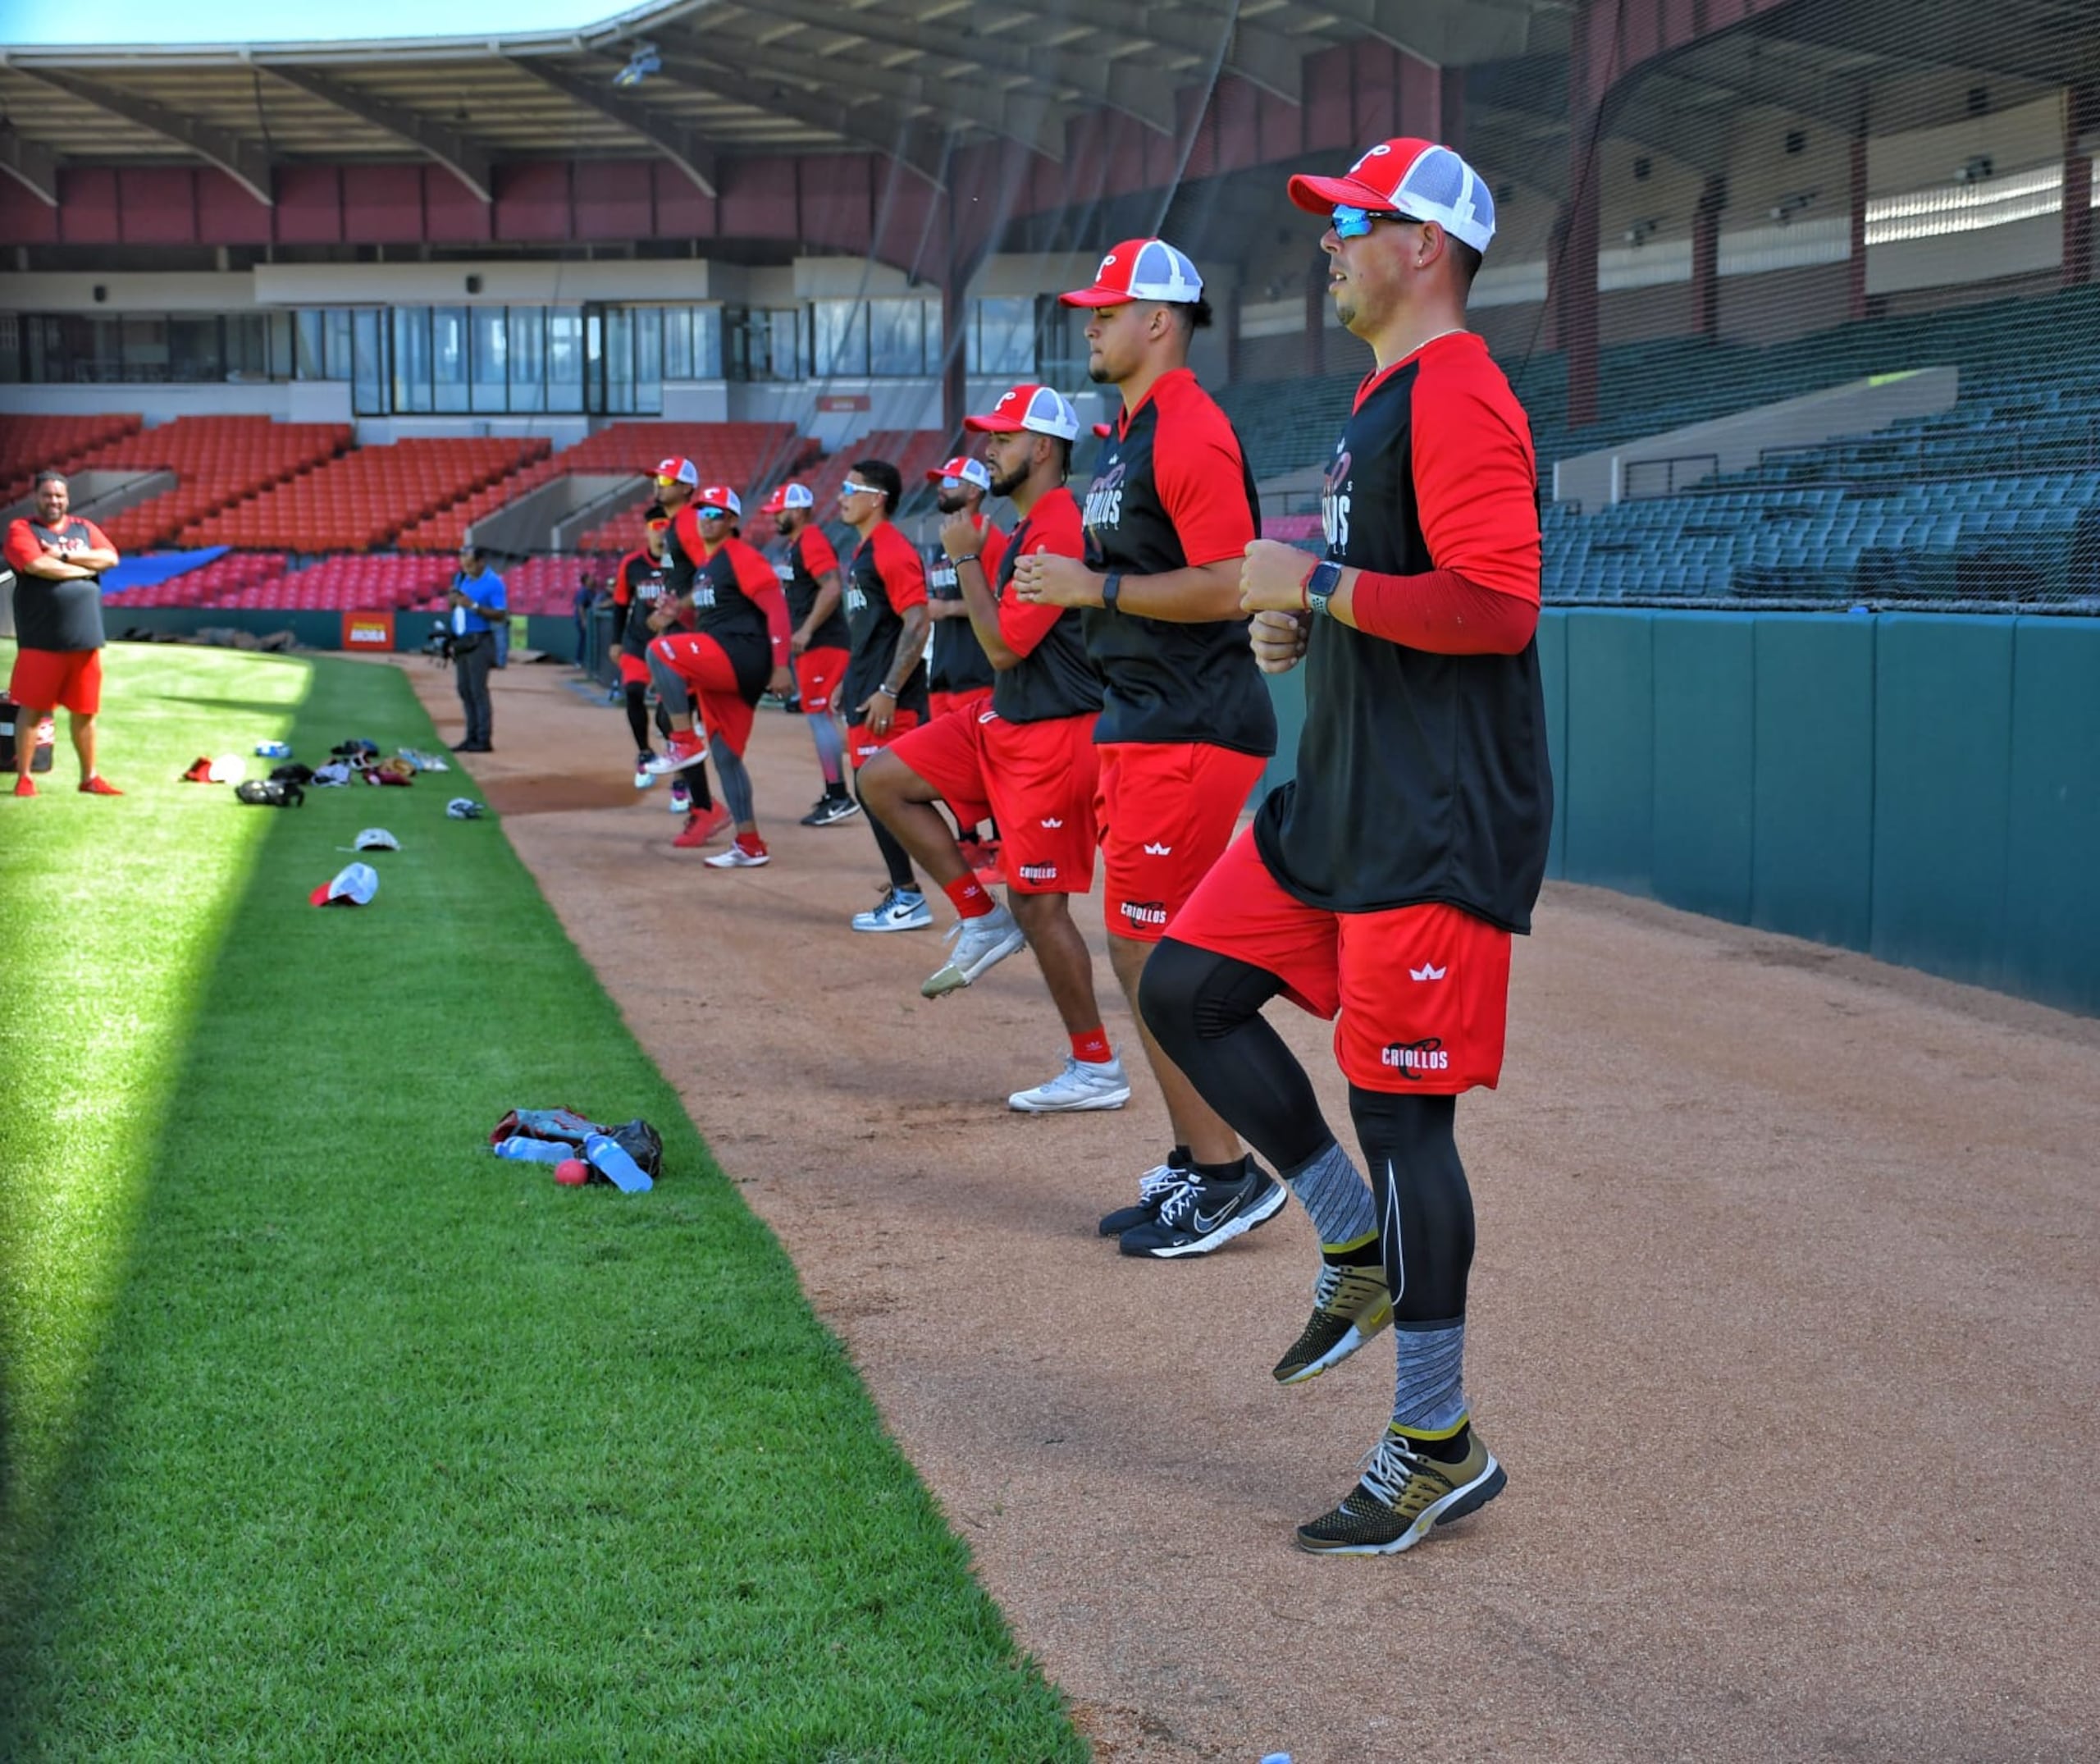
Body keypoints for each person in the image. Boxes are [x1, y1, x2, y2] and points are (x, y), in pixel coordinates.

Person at [1137, 139, 1549, 1555]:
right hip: (1346, 794)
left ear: (1422, 245)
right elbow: (1404, 590)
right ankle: (1348, 1237)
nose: (1327, 242)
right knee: (1185, 988)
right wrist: (1307, 618)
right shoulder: (1386, 395)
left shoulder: (1464, 393)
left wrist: (1311, 577)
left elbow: (1497, 608)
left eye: (1350, 222)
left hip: (1434, 820)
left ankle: (1436, 1440)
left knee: (1404, 1122)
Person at [1013, 237, 1282, 1256]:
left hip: (1192, 718)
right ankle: (1194, 1153)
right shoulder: (1130, 431)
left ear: (1157, 321)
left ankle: (1225, 1172)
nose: (1089, 323)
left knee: (1150, 946)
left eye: (1105, 310)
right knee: (1138, 944)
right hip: (1145, 714)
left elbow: (1231, 577)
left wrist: (1094, 589)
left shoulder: (1191, 430)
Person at [859, 386, 1128, 1112]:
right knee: (881, 780)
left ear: (1043, 449)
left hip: (1055, 733)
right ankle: (978, 916)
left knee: (1043, 909)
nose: (988, 449)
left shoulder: (1060, 526)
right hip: (1005, 720)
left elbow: (1006, 645)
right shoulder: (1033, 522)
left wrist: (969, 561)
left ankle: (1097, 1066)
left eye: (1003, 438)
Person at [644, 484, 793, 867]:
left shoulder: (740, 555)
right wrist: (675, 611)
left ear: (731, 521)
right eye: (701, 513)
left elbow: (776, 608)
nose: (705, 520)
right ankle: (750, 843)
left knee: (661, 650)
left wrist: (781, 665)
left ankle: (682, 741)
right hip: (727, 656)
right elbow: (709, 616)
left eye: (715, 514)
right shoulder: (709, 569)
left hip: (742, 654)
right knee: (726, 757)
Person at [835, 459, 934, 931]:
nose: (841, 496)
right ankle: (907, 892)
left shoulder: (890, 548)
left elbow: (918, 619)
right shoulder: (866, 550)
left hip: (888, 701)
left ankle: (912, 896)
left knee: (882, 793)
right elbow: (873, 631)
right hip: (868, 693)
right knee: (873, 791)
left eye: (849, 488)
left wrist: (889, 689)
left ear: (877, 498)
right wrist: (850, 680)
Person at [610, 505, 726, 839]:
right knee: (633, 694)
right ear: (646, 530)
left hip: (676, 648)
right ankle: (646, 754)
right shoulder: (633, 564)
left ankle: (685, 789)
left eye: (666, 525)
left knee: (670, 718)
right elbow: (620, 604)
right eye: (656, 525)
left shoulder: (683, 562)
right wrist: (616, 641)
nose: (662, 531)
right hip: (639, 642)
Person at [5, 470, 122, 798]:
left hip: (85, 637)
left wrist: (65, 555)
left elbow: (110, 557)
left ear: (67, 498)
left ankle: (90, 777)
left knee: (86, 711)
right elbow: (37, 566)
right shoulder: (22, 529)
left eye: (59, 495)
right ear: (36, 498)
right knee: (33, 709)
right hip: (42, 638)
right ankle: (25, 777)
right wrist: (85, 570)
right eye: (47, 495)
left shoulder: (84, 529)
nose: (54, 500)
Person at [920, 455, 1007, 875]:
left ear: (974, 491)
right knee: (955, 769)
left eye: (950, 480)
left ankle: (1007, 849)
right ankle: (970, 843)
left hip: (979, 669)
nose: (942, 487)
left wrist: (948, 607)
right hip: (945, 671)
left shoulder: (991, 539)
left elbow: (1000, 602)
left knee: (995, 767)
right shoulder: (944, 544)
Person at [761, 480, 859, 828]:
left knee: (821, 717)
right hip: (815, 646)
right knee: (820, 717)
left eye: (780, 511)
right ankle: (836, 791)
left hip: (824, 644)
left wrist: (806, 629)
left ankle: (838, 794)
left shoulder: (812, 540)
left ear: (799, 511)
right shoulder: (795, 545)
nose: (775, 518)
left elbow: (832, 586)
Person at [447, 542, 506, 752]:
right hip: (462, 640)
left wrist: (473, 606)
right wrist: (453, 599)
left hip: (480, 640)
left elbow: (501, 614)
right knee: (464, 689)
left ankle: (483, 738)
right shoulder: (461, 578)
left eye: (471, 564)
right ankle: (470, 736)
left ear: (481, 562)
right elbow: (453, 602)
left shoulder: (493, 582)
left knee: (477, 691)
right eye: (464, 564)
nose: (466, 567)